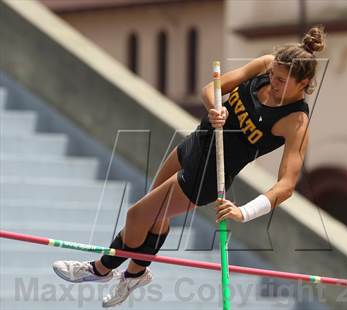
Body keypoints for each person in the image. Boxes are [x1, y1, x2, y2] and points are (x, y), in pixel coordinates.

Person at [52, 25, 326, 307]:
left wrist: (244, 212)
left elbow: (287, 185)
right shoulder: (267, 65)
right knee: (155, 216)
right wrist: (214, 108)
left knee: (137, 216)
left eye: (281, 81)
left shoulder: (296, 123)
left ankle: (100, 269)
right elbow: (212, 89)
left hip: (207, 175)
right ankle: (135, 274)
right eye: (273, 76)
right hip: (197, 143)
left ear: (303, 85)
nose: (273, 82)